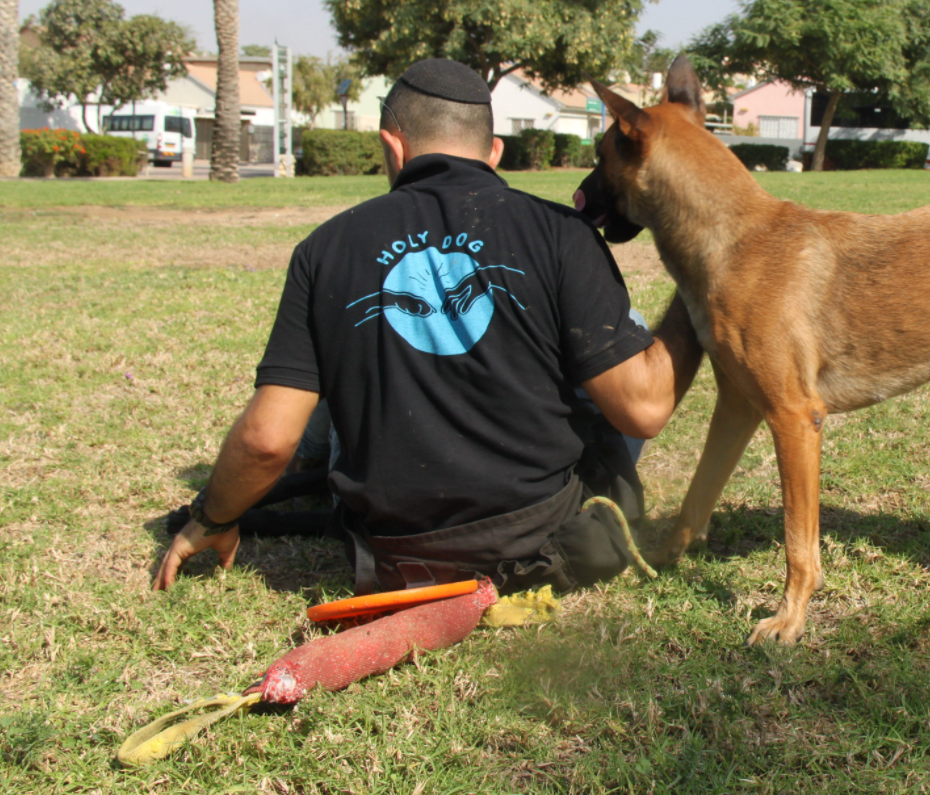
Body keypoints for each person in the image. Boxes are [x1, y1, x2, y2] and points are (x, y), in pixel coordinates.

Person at [153, 59, 701, 594]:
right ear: (494, 153)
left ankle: (321, 451)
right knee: (616, 327)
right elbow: (645, 409)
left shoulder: (325, 249)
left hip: (393, 556)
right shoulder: (562, 233)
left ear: (393, 145)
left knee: (335, 342)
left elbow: (266, 440)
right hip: (541, 544)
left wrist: (212, 517)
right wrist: (700, 284)